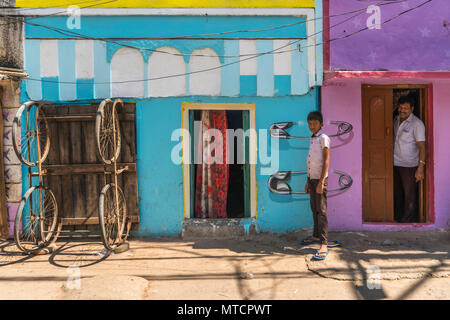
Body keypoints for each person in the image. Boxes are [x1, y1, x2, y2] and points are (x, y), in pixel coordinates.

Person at [301, 111, 330, 260]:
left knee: (321, 211)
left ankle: (324, 242)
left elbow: (326, 161)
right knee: (314, 208)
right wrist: (308, 181)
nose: (312, 126)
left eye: (315, 124)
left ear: (321, 124)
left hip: (320, 181)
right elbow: (311, 161)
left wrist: (321, 182)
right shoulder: (312, 139)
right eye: (310, 124)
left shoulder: (323, 138)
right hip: (312, 180)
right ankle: (316, 235)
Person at [393, 96, 426, 223]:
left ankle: (407, 222)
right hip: (394, 163)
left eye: (406, 108)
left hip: (409, 165)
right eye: (400, 107)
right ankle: (398, 217)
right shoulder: (396, 119)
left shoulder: (417, 124)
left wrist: (420, 168)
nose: (402, 110)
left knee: (409, 196)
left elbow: (422, 147)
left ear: (412, 109)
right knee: (397, 194)